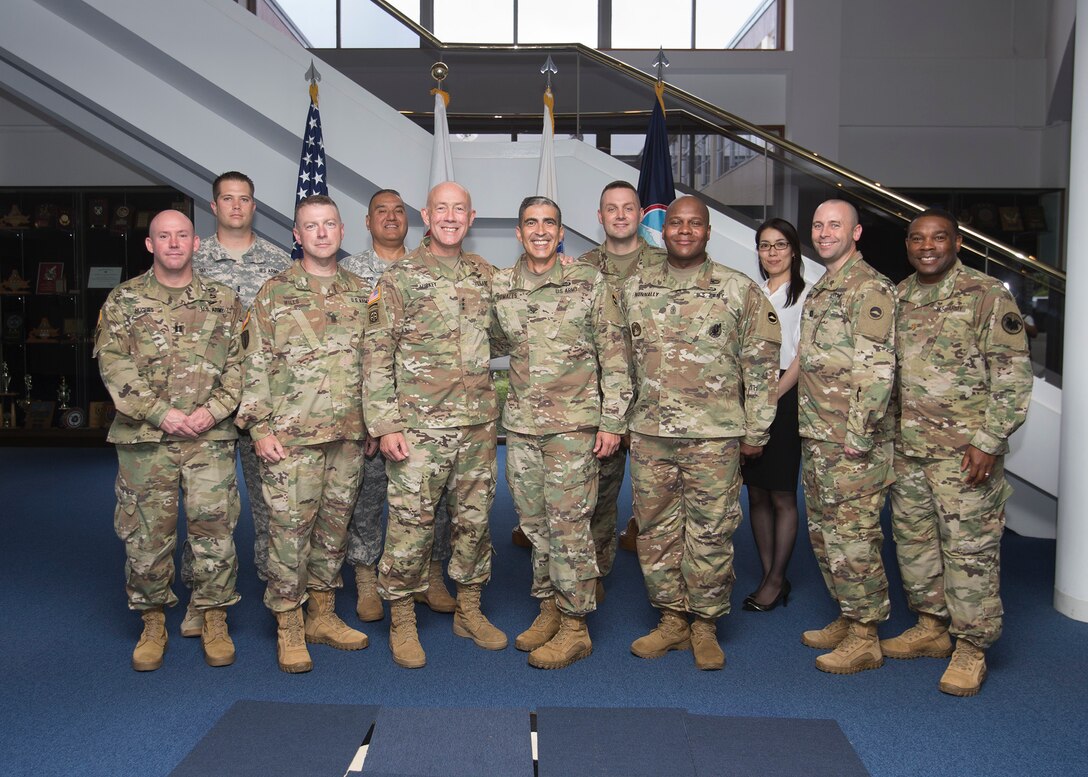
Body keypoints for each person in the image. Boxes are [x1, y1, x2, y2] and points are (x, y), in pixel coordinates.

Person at [619, 195, 781, 670]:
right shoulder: (634, 288)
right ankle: (672, 619)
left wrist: (758, 430)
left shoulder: (737, 289)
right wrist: (620, 420)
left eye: (695, 224)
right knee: (655, 531)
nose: (685, 231)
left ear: (708, 232)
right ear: (662, 230)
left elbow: (761, 364)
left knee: (711, 531)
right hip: (650, 434)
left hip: (715, 437)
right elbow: (619, 362)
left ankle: (706, 623)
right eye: (676, 223)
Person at [883, 209, 1032, 696]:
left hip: (966, 456)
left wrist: (988, 442)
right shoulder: (899, 296)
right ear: (908, 244)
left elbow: (1012, 378)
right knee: (915, 543)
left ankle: (971, 647)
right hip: (910, 451)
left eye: (938, 238)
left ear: (957, 243)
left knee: (969, 552)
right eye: (918, 238)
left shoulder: (986, 295)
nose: (927, 246)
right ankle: (931, 626)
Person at [364, 181, 506, 669]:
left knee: (473, 522)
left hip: (478, 426)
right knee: (411, 524)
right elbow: (377, 352)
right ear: (426, 215)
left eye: (459, 209)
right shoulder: (399, 277)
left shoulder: (487, 274)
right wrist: (385, 424)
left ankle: (469, 608)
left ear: (472, 216)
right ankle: (401, 618)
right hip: (419, 427)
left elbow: (514, 329)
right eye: (441, 208)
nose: (450, 217)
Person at [95, 209, 244, 671]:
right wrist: (164, 414)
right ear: (150, 245)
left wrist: (211, 412)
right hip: (146, 439)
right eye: (164, 236)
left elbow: (243, 365)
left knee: (213, 528)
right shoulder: (124, 301)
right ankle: (153, 618)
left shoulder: (224, 301)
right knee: (146, 533)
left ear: (196, 243)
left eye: (182, 236)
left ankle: (213, 613)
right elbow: (114, 367)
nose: (174, 243)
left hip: (209, 437)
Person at [491, 196, 632, 669]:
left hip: (574, 427)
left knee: (571, 526)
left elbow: (614, 354)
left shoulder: (588, 283)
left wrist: (613, 420)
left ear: (561, 233)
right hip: (523, 428)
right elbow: (483, 342)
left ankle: (576, 625)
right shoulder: (502, 286)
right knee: (534, 524)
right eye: (530, 222)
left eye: (549, 223)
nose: (540, 230)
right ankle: (548, 605)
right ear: (518, 232)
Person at [236, 194, 370, 673]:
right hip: (291, 439)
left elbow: (375, 363)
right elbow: (253, 363)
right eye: (310, 226)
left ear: (341, 230)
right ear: (297, 235)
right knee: (289, 535)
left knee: (333, 533)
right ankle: (289, 624)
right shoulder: (274, 293)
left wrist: (373, 422)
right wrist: (259, 426)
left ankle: (323, 614)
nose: (320, 232)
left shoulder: (361, 292)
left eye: (328, 224)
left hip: (349, 436)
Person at [181, 171, 291, 639]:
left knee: (274, 506)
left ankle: (279, 594)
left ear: (254, 205)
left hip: (265, 402)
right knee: (208, 509)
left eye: (244, 199)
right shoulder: (194, 258)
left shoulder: (278, 261)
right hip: (209, 405)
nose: (236, 206)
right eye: (228, 198)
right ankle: (203, 598)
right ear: (213, 206)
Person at [340, 189, 455, 624]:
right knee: (367, 498)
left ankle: (431, 574)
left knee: (434, 503)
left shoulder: (430, 267)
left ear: (411, 221)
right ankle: (367, 577)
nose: (390, 218)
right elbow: (354, 349)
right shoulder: (349, 273)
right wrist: (373, 418)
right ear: (367, 222)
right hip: (370, 411)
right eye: (380, 212)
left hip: (429, 413)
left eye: (397, 212)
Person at [798, 199, 896, 674]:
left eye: (835, 225)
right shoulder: (825, 285)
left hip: (852, 442)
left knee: (854, 536)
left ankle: (865, 636)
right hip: (820, 434)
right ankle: (848, 612)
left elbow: (876, 371)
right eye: (818, 225)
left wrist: (859, 436)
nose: (824, 232)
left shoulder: (869, 288)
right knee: (825, 534)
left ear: (856, 233)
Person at [574, 180, 666, 591]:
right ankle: (594, 577)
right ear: (600, 217)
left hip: (656, 402)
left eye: (628, 207)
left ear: (640, 213)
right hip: (599, 402)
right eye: (612, 208)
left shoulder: (668, 265)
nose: (621, 215)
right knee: (596, 496)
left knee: (658, 503)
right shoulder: (581, 269)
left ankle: (667, 591)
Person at [741, 218, 809, 612]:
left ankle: (777, 577)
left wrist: (772, 397)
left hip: (784, 396)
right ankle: (770, 576)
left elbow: (802, 357)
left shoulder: (804, 296)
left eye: (780, 245)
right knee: (756, 492)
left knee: (782, 493)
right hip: (751, 392)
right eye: (765, 246)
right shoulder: (752, 292)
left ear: (794, 251)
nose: (772, 252)